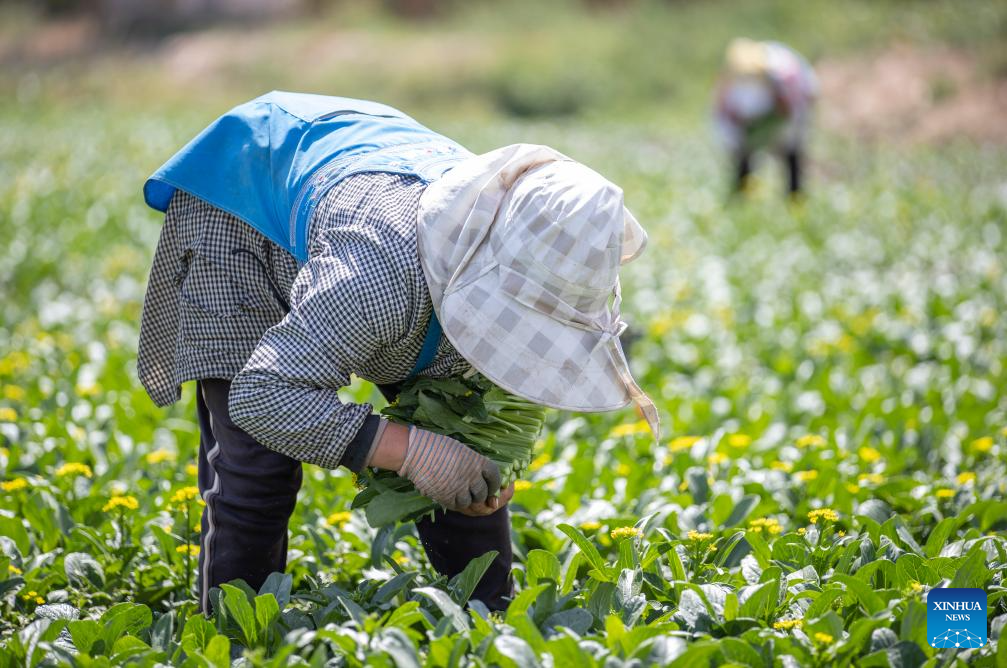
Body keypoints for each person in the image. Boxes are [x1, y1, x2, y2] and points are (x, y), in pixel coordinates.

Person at [137, 91, 660, 613]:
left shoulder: (542, 247)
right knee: (258, 469)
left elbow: (471, 417)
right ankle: (229, 633)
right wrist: (409, 451)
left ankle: (490, 615)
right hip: (246, 196)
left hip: (374, 174)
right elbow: (262, 397)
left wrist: (480, 466)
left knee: (460, 427)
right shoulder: (375, 276)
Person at [713, 38, 818, 197]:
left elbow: (806, 97)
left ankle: (794, 197)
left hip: (789, 114)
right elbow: (725, 113)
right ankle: (743, 194)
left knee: (790, 153)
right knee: (745, 154)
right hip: (756, 120)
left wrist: (780, 127)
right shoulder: (733, 84)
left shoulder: (786, 74)